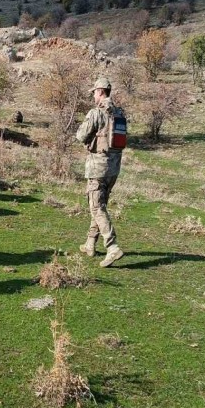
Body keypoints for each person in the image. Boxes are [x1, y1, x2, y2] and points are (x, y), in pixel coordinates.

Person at [76, 77, 125, 268]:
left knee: (97, 207)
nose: (93, 96)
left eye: (94, 92)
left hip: (98, 167)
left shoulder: (96, 113)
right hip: (114, 168)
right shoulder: (119, 113)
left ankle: (112, 247)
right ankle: (90, 243)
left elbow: (81, 135)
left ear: (100, 92)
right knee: (99, 206)